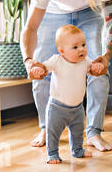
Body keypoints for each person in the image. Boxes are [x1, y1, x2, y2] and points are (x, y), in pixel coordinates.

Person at [20, 0, 112, 152]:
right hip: (53, 12)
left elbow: (110, 23)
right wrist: (28, 60)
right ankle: (46, 127)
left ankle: (94, 132)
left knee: (98, 70)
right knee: (41, 68)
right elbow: (31, 27)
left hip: (88, 12)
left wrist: (106, 56)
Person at [30, 25, 105, 164]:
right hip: (57, 108)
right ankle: (52, 153)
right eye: (75, 47)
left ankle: (77, 150)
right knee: (53, 133)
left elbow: (93, 67)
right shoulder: (57, 60)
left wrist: (97, 67)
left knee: (77, 132)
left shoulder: (85, 60)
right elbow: (44, 68)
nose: (81, 49)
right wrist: (37, 69)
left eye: (83, 44)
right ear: (62, 51)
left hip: (77, 108)